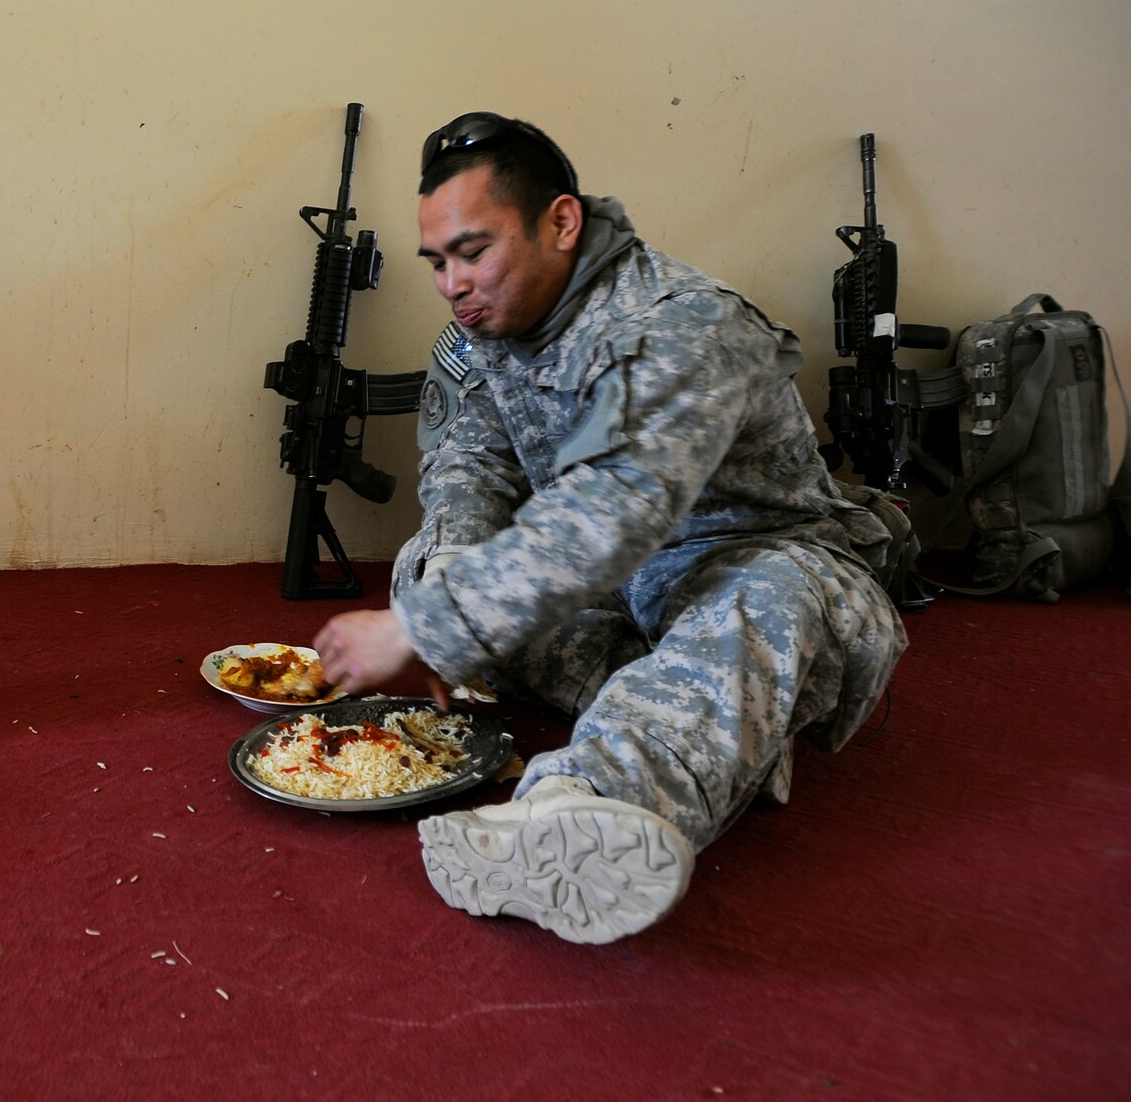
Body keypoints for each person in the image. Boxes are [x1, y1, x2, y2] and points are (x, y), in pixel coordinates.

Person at [312, 112, 907, 944]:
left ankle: (581, 805)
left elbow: (610, 508)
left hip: (751, 574)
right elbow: (470, 470)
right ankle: (712, 724)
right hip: (614, 596)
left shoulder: (678, 324)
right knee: (433, 564)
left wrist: (423, 627)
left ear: (561, 221)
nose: (452, 283)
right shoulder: (491, 330)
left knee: (764, 605)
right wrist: (445, 585)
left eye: (474, 251)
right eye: (438, 262)